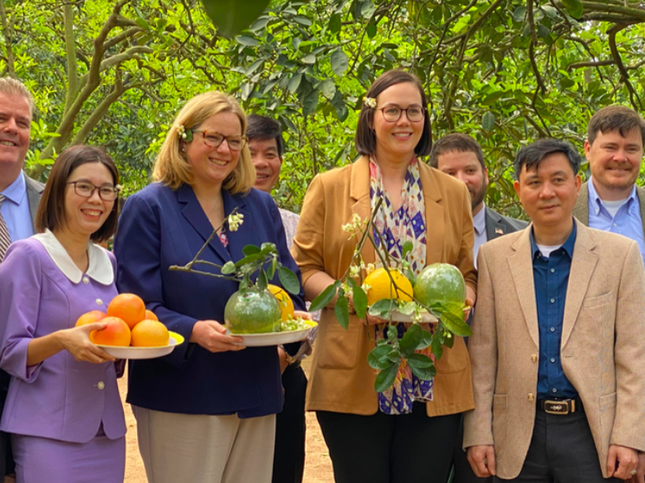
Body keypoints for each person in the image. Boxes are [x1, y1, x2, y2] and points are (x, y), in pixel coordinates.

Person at [292, 69, 477, 483]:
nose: (404, 121)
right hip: (354, 369)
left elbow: (467, 274)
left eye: (414, 111)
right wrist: (354, 300)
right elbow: (305, 269)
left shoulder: (452, 192)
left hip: (433, 370)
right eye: (392, 110)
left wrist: (460, 301)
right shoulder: (330, 186)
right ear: (371, 117)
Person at [113, 91, 306, 483]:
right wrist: (193, 332)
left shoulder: (259, 206)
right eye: (212, 137)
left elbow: (289, 287)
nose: (225, 149)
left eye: (234, 141)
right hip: (183, 392)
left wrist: (288, 337)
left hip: (256, 391)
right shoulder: (149, 207)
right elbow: (136, 305)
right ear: (183, 138)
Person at [464, 138, 645, 482]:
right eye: (534, 183)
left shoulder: (620, 256)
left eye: (558, 180)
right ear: (519, 190)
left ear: (577, 185)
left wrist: (630, 436)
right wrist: (478, 433)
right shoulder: (493, 257)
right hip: (516, 432)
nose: (547, 192)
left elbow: (634, 355)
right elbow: (483, 355)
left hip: (592, 434)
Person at [0, 145, 126, 483]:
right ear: (58, 191)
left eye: (106, 190)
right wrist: (60, 341)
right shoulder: (28, 255)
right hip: (47, 432)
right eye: (83, 187)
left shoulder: (108, 262)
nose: (96, 199)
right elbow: (9, 351)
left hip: (107, 433)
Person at [247, 114, 306, 483]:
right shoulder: (218, 222)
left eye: (270, 153)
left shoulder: (297, 225)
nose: (260, 163)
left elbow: (305, 300)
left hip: (286, 372)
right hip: (232, 370)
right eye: (250, 152)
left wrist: (288, 353)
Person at [0, 76, 44, 481]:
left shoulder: (53, 204)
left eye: (22, 122)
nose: (12, 128)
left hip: (33, 383)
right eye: (1, 118)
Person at [430, 133, 527, 264]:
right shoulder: (419, 236)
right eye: (450, 173)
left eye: (470, 171)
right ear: (433, 180)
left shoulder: (523, 235)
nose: (461, 181)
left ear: (485, 175)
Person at [573, 105, 645, 266]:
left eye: (631, 149)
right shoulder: (560, 210)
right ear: (588, 150)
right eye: (610, 147)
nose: (620, 158)